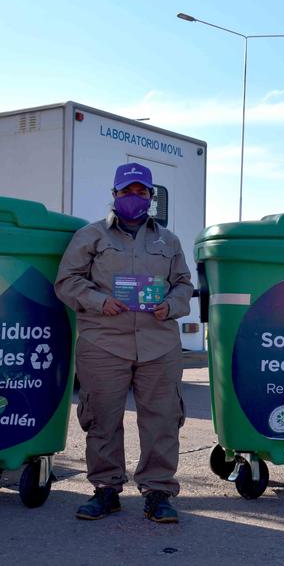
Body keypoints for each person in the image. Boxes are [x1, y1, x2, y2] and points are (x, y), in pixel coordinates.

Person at [55, 162, 193, 524]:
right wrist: (100, 301)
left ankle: (159, 492)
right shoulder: (91, 236)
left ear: (151, 197)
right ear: (114, 194)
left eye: (141, 192)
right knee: (102, 418)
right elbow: (66, 281)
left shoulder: (169, 241)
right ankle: (105, 490)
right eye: (127, 191)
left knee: (162, 420)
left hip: (158, 344)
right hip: (104, 342)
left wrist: (172, 305)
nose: (134, 197)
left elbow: (183, 284)